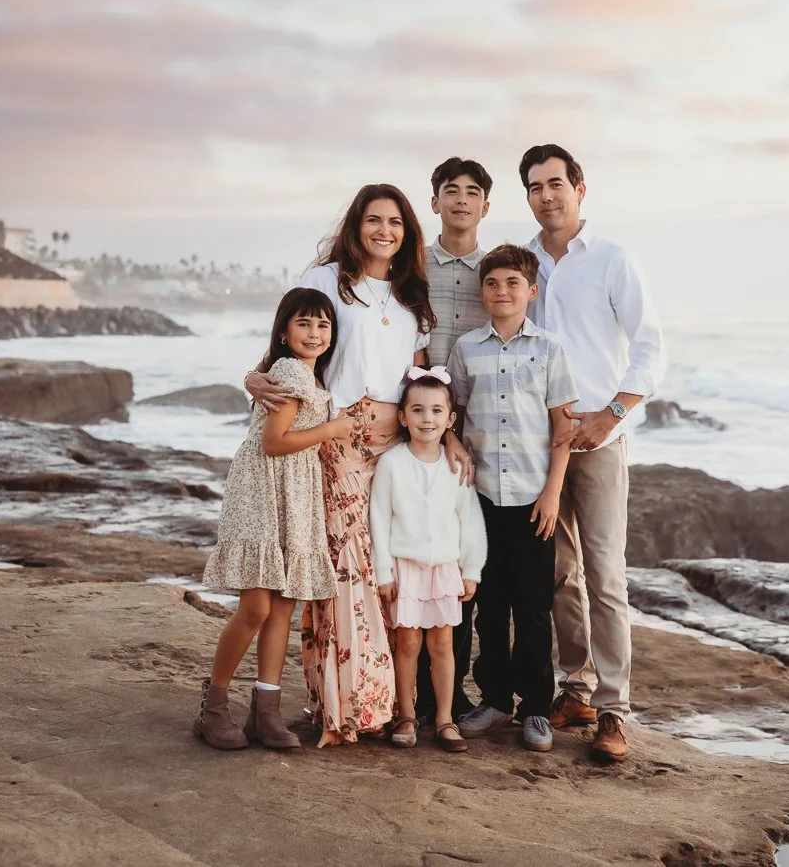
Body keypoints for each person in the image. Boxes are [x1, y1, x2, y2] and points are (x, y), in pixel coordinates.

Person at [244, 183, 474, 745]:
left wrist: (446, 435)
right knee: (348, 568)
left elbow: (420, 376)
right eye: (374, 220)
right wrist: (253, 378)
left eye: (395, 222)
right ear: (356, 225)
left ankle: (386, 703)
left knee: (387, 565)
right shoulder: (329, 280)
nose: (384, 231)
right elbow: (290, 342)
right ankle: (344, 707)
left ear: (407, 231)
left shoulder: (412, 293)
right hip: (340, 442)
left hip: (395, 446)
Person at [521, 144, 666, 763]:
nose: (546, 196)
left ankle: (614, 710)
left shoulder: (611, 259)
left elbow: (651, 346)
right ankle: (576, 689)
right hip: (538, 442)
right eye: (535, 187)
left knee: (605, 574)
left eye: (556, 183)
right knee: (558, 574)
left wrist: (614, 412)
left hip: (601, 439)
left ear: (580, 188)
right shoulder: (520, 263)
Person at [194, 287, 350, 750]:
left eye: (323, 325)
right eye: (304, 323)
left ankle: (266, 712)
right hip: (263, 491)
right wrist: (332, 429)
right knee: (257, 608)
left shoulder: (309, 375)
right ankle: (213, 707)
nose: (314, 333)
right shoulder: (289, 371)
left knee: (283, 606)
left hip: (295, 492)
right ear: (283, 331)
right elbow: (273, 442)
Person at [447, 244, 578, 753]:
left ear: (531, 291)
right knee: (489, 606)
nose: (502, 292)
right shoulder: (466, 348)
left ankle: (536, 707)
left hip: (532, 500)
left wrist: (552, 494)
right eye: (493, 283)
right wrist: (454, 443)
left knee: (533, 608)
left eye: (512, 283)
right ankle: (496, 699)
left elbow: (563, 429)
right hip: (480, 499)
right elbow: (455, 413)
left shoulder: (549, 348)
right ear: (482, 291)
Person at [370, 367, 487, 752]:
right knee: (406, 644)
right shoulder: (392, 463)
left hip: (445, 569)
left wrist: (471, 569)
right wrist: (383, 571)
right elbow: (378, 517)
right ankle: (406, 715)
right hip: (404, 568)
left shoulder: (455, 466)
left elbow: (469, 520)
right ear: (403, 417)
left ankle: (444, 719)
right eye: (418, 410)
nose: (427, 419)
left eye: (437, 411)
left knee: (443, 646)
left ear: (450, 419)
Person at [416, 156, 494, 726]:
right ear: (435, 201)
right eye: (451, 190)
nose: (461, 199)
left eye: (472, 192)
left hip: (483, 428)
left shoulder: (497, 270)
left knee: (466, 558)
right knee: (421, 550)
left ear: (486, 206)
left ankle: (460, 691)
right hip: (422, 424)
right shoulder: (413, 265)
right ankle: (415, 693)